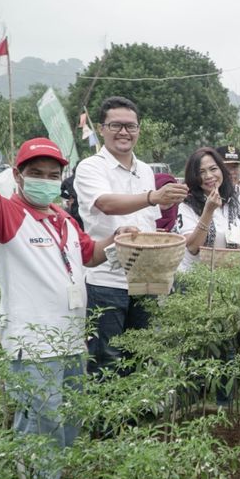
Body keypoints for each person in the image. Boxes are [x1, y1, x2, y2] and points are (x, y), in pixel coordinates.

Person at [0, 116, 136, 479]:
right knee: (39, 428)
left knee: (66, 423)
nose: (45, 179)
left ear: (62, 177)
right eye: (35, 172)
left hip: (71, 341)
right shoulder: (8, 215)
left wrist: (118, 237)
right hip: (34, 345)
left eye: (52, 173)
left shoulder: (63, 219)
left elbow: (89, 256)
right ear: (18, 175)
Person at [74, 96, 188, 377]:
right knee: (107, 359)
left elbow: (146, 221)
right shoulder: (91, 167)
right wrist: (152, 197)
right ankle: (106, 422)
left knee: (139, 357)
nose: (123, 132)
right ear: (102, 129)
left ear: (138, 130)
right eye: (115, 125)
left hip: (144, 279)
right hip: (106, 281)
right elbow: (106, 203)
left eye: (130, 126)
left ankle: (135, 422)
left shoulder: (146, 170)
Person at [176, 147, 240, 272]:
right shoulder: (186, 206)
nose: (208, 176)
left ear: (222, 170)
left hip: (233, 277)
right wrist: (208, 211)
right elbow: (193, 247)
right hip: (197, 280)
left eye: (213, 169)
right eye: (201, 172)